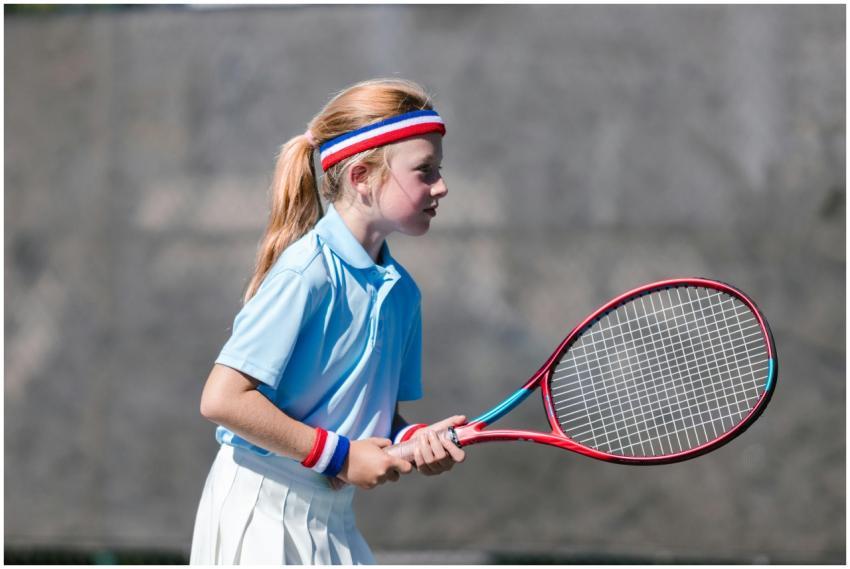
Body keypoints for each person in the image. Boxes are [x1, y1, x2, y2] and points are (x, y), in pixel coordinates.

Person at [190, 78, 466, 565]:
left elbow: (369, 416)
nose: (441, 185)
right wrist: (340, 457)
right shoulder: (305, 273)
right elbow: (222, 398)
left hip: (332, 518)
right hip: (258, 510)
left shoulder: (403, 293)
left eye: (438, 169)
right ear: (361, 177)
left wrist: (411, 441)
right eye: (425, 171)